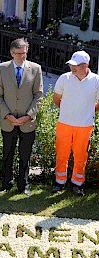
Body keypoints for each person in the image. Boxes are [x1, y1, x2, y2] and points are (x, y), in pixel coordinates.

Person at [0, 38, 43, 196]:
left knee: (25, 155)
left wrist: (28, 116)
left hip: (27, 123)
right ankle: (6, 183)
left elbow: (38, 96)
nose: (23, 56)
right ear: (12, 53)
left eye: (25, 53)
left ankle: (23, 185)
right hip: (8, 122)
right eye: (19, 53)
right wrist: (8, 116)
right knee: (8, 154)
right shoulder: (2, 69)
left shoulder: (36, 69)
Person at [51, 50, 99, 196]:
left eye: (76, 65)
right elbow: (56, 99)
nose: (73, 68)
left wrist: (89, 112)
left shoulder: (96, 81)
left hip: (85, 126)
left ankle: (77, 184)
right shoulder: (64, 78)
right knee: (61, 154)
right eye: (72, 64)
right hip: (64, 123)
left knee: (80, 157)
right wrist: (68, 111)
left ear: (86, 65)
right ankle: (59, 183)